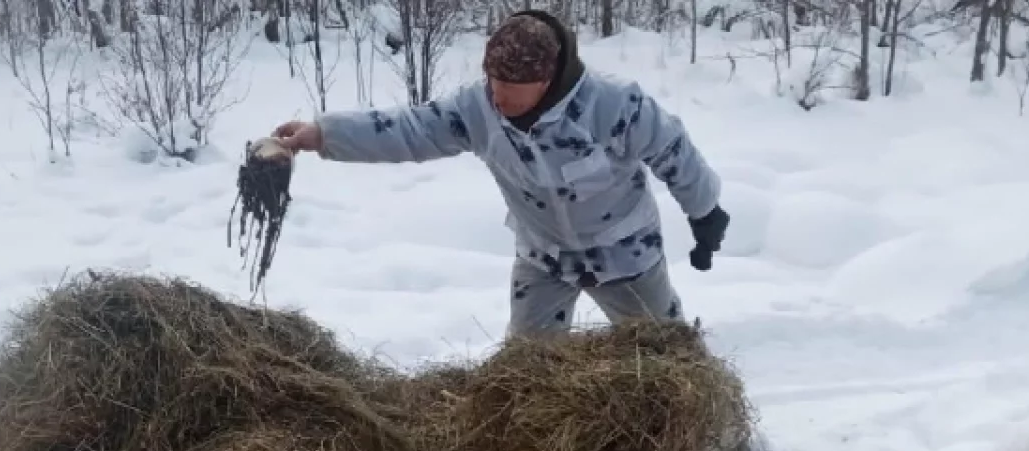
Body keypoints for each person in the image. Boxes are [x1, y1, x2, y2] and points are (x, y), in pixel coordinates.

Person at [273, 10, 730, 340]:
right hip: (543, 259)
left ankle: (722, 445)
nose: (498, 98)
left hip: (626, 256)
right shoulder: (477, 109)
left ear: (548, 81)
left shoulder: (614, 106)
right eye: (493, 83)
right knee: (525, 376)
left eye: (511, 90)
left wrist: (705, 213)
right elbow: (409, 130)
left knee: (667, 358)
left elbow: (675, 153)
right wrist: (322, 136)